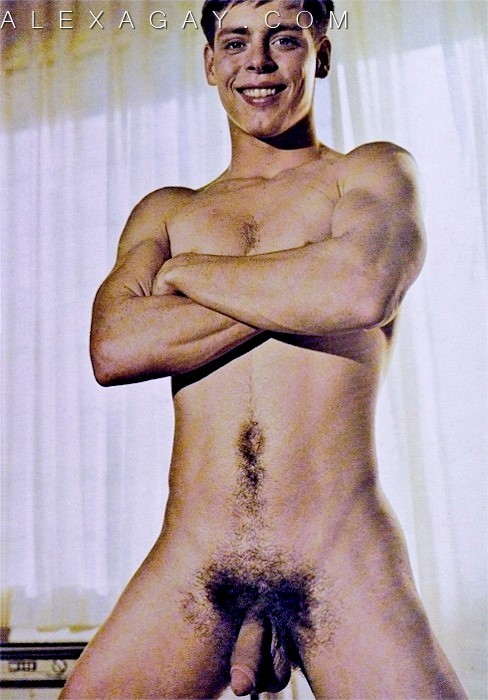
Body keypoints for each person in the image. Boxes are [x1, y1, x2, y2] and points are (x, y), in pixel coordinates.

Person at [61, 0, 467, 697]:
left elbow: (362, 289)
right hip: (195, 559)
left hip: (337, 551)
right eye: (236, 42)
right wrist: (306, 279)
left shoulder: (369, 171)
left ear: (321, 54)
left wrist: (187, 274)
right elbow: (115, 347)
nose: (258, 62)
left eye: (283, 39)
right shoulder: (168, 210)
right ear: (209, 62)